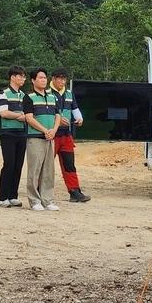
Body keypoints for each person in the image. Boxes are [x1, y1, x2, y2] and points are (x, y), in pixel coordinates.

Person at [23, 68, 62, 211]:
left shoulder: (53, 97)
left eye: (45, 77)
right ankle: (34, 200)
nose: (43, 80)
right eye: (40, 78)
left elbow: (58, 115)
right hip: (36, 138)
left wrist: (54, 130)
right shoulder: (29, 97)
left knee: (48, 170)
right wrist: (45, 130)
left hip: (50, 138)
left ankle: (48, 200)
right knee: (34, 170)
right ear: (33, 80)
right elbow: (29, 118)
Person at [50, 69, 90, 203]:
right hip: (51, 134)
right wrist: (57, 120)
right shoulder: (46, 93)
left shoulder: (68, 93)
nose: (62, 81)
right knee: (47, 165)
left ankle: (74, 191)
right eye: (60, 78)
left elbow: (75, 109)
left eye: (64, 79)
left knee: (69, 164)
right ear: (53, 79)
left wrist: (79, 119)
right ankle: (41, 190)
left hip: (66, 135)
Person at [0, 67, 29, 208]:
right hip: (8, 133)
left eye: (24, 77)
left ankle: (12, 195)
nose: (23, 79)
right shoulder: (3, 94)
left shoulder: (24, 95)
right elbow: (4, 113)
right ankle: (2, 197)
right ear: (13, 77)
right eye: (21, 76)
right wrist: (20, 116)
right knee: (9, 164)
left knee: (18, 165)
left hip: (22, 133)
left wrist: (23, 117)